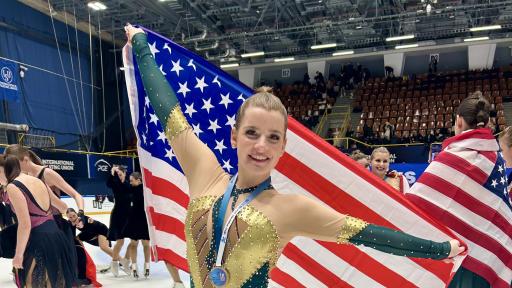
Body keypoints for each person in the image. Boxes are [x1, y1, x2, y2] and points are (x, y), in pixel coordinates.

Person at [125, 25, 465, 288]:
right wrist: (141, 46)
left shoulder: (291, 209)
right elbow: (169, 112)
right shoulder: (204, 171)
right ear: (234, 136)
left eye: (273, 137)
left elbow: (369, 234)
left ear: (282, 147)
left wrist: (439, 250)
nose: (261, 145)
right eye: (252, 133)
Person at [407, 94, 507, 288]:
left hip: (456, 259)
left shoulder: (451, 158)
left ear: (459, 121)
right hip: (487, 258)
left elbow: (416, 201)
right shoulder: (496, 159)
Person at [0, 155, 76, 287]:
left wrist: (18, 255)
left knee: (32, 283)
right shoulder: (37, 180)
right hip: (56, 236)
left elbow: (25, 225)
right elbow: (62, 206)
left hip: (38, 240)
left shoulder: (13, 186)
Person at [106, 165, 133, 276]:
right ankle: (114, 263)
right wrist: (112, 174)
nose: (119, 176)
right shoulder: (115, 184)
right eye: (118, 175)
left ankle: (126, 262)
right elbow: (109, 183)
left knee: (134, 241)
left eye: (121, 174)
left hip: (129, 215)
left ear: (125, 174)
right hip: (118, 216)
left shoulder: (129, 185)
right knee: (120, 242)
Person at [123, 172, 151, 279]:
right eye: (129, 180)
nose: (130, 182)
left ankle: (146, 266)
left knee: (145, 244)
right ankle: (134, 267)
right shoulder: (130, 189)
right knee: (134, 244)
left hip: (143, 219)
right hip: (134, 219)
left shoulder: (145, 190)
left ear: (138, 180)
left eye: (131, 180)